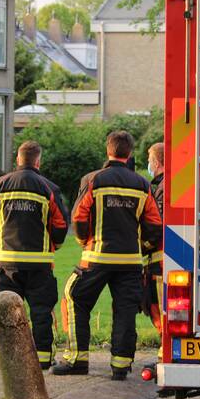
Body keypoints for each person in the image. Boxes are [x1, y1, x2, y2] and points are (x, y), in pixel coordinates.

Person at [54, 131, 163, 380]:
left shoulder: (93, 179)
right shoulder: (142, 184)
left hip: (97, 258)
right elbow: (155, 225)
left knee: (73, 297)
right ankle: (121, 367)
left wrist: (85, 242)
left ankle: (76, 359)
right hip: (131, 262)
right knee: (125, 311)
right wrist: (141, 245)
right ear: (130, 153)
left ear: (108, 150)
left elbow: (79, 217)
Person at [0, 140, 69, 369]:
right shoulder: (48, 187)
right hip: (39, 263)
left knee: (6, 311)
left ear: (18, 159)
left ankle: (6, 358)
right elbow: (60, 225)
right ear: (38, 161)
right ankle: (42, 360)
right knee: (41, 313)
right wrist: (54, 245)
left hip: (6, 262)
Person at [141, 142, 166, 366]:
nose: (148, 163)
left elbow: (156, 224)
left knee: (160, 308)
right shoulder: (160, 185)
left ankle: (164, 354)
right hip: (157, 260)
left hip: (159, 262)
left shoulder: (162, 187)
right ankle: (163, 350)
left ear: (156, 162)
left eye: (149, 159)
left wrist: (142, 244)